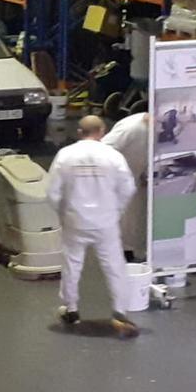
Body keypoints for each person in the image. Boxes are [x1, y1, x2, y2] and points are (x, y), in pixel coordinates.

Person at [47, 115, 139, 336]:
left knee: (72, 265)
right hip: (105, 221)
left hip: (74, 220)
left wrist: (63, 213)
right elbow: (128, 188)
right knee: (114, 266)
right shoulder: (113, 156)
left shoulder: (65, 155)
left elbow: (52, 192)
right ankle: (119, 310)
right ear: (102, 131)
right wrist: (116, 210)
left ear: (79, 132)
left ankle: (71, 309)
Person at [102, 113, 150, 262]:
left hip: (141, 174)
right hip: (123, 176)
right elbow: (102, 149)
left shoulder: (163, 127)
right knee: (127, 215)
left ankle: (137, 250)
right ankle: (124, 253)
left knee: (139, 215)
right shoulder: (130, 128)